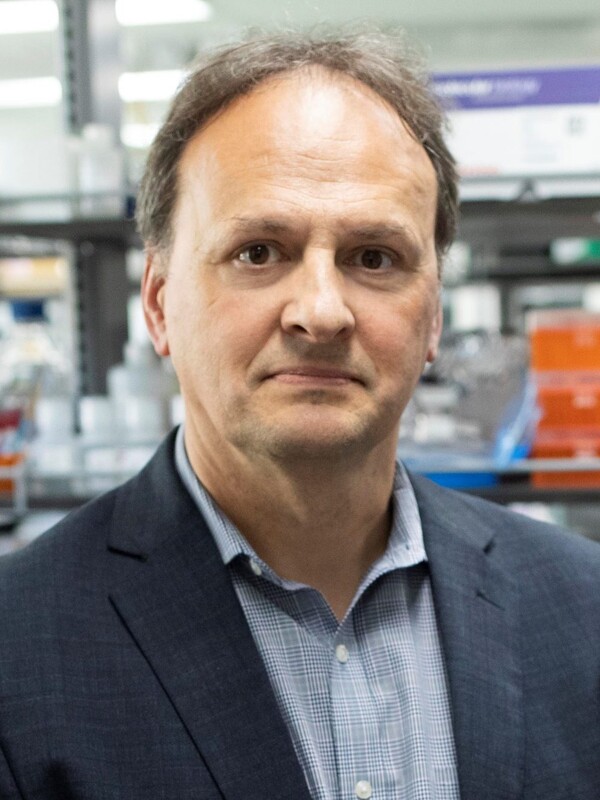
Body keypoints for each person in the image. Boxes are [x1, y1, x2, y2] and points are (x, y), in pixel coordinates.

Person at [0, 29, 598, 800]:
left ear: (434, 319)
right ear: (158, 304)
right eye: (259, 252)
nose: (321, 311)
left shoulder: (580, 612)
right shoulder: (19, 648)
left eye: (374, 258)